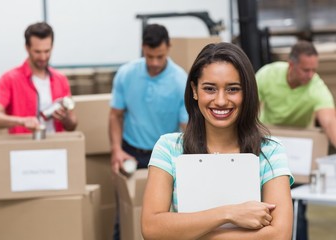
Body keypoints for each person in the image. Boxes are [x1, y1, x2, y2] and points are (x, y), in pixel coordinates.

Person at [141, 42, 294, 239]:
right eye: (210, 89)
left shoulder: (270, 151)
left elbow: (279, 235)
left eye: (232, 89)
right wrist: (229, 213)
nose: (221, 100)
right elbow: (151, 228)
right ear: (195, 90)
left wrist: (190, 233)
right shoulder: (169, 148)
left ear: (247, 93)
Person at [109, 23, 188, 240]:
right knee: (124, 214)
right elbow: (115, 115)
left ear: (168, 48)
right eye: (149, 56)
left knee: (164, 216)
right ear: (142, 48)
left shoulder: (181, 80)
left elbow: (187, 127)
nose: (154, 63)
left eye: (159, 56)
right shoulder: (126, 74)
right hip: (130, 155)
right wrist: (116, 149)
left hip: (165, 157)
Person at [255, 40, 335, 240]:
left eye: (314, 70)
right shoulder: (268, 74)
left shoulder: (315, 86)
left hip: (299, 152)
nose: (311, 75)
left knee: (296, 205)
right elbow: (250, 109)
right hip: (268, 144)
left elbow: (329, 122)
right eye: (306, 70)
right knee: (265, 205)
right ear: (291, 65)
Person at [0, 22, 77, 134]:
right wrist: (22, 121)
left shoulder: (60, 79)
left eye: (47, 51)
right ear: (27, 48)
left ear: (52, 47)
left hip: (55, 147)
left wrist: (65, 118)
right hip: (23, 148)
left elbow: (72, 125)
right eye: (37, 52)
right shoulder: (9, 79)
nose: (43, 57)